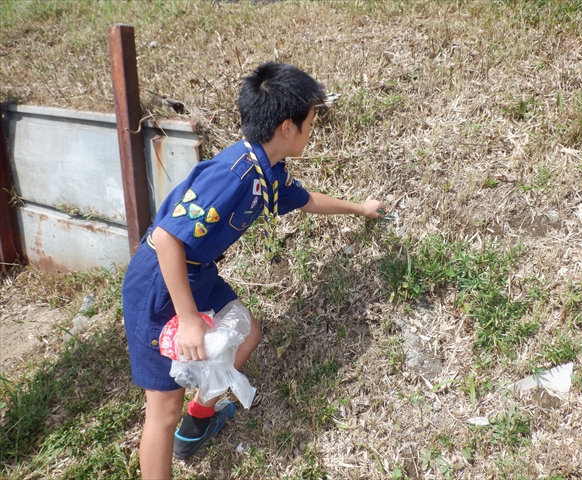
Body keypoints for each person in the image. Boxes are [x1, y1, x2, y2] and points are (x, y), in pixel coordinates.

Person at [122, 62, 387, 479]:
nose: (313, 127)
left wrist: (360, 209)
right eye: (312, 120)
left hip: (198, 270)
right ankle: (180, 425)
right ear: (287, 127)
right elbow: (168, 239)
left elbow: (305, 200)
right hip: (160, 280)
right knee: (162, 409)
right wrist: (188, 318)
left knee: (247, 331)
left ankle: (200, 416)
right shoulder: (231, 176)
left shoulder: (266, 169)